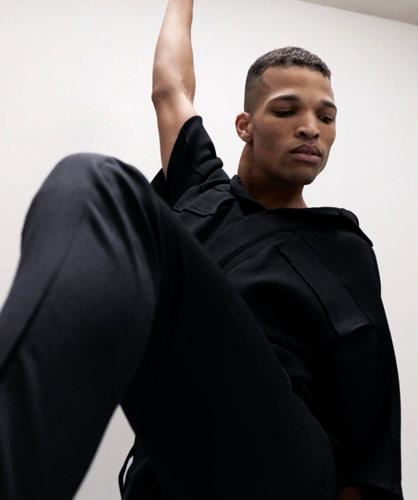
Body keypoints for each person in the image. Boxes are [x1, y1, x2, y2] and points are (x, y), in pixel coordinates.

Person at [0, 1, 403, 499]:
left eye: (327, 116)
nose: (311, 128)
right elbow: (170, 87)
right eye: (286, 110)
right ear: (245, 125)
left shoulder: (342, 248)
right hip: (176, 466)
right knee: (91, 181)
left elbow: (370, 421)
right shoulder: (200, 194)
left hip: (285, 465)